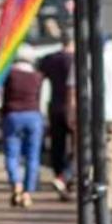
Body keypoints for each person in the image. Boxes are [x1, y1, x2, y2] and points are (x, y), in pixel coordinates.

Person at [0, 58, 46, 208]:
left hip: (13, 115)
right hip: (33, 115)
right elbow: (41, 98)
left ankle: (16, 184)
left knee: (11, 154)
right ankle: (27, 193)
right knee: (33, 156)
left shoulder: (9, 75)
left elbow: (2, 96)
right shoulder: (37, 76)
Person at [36, 38, 75, 198]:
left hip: (55, 106)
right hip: (72, 107)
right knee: (76, 147)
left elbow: (39, 79)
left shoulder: (50, 59)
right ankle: (67, 179)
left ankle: (59, 175)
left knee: (57, 146)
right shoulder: (76, 60)